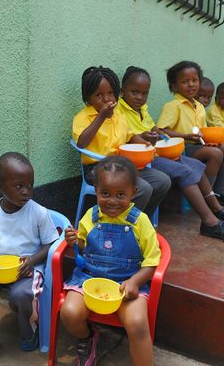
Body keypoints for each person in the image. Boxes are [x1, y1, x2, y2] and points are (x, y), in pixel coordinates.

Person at [117, 67, 224, 241]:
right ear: (122, 91)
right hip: (141, 159)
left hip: (155, 152)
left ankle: (217, 209)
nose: (140, 97)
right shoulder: (119, 111)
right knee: (185, 170)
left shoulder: (142, 109)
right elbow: (129, 137)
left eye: (144, 93)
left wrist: (161, 137)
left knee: (196, 165)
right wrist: (148, 137)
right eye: (135, 92)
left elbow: (154, 128)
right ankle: (210, 222)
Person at [61, 156, 159, 366]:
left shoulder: (140, 222)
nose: (112, 201)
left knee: (137, 323)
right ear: (96, 190)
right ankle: (87, 339)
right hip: (89, 279)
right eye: (105, 193)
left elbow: (152, 261)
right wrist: (74, 241)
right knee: (69, 313)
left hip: (126, 283)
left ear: (133, 192)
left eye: (120, 194)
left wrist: (135, 281)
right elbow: (83, 247)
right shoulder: (91, 216)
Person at [0, 153, 59, 366]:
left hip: (28, 268)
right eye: (19, 186)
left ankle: (29, 332)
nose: (26, 191)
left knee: (21, 294)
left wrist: (32, 260)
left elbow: (51, 244)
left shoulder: (38, 212)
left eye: (30, 185)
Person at [72, 66, 171, 219]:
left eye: (111, 93)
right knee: (143, 188)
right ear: (88, 98)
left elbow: (130, 136)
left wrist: (145, 145)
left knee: (162, 181)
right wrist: (101, 117)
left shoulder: (117, 114)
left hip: (123, 165)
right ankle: (119, 225)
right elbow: (81, 143)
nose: (107, 99)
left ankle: (139, 221)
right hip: (97, 169)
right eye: (99, 95)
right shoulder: (83, 117)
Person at [157, 61, 224, 209]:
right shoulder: (173, 106)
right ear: (174, 86)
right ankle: (206, 197)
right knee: (215, 154)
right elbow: (161, 130)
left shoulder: (200, 106)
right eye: (185, 81)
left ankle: (219, 191)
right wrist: (186, 136)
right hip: (181, 149)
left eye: (194, 80)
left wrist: (209, 139)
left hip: (196, 146)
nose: (191, 85)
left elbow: (201, 131)